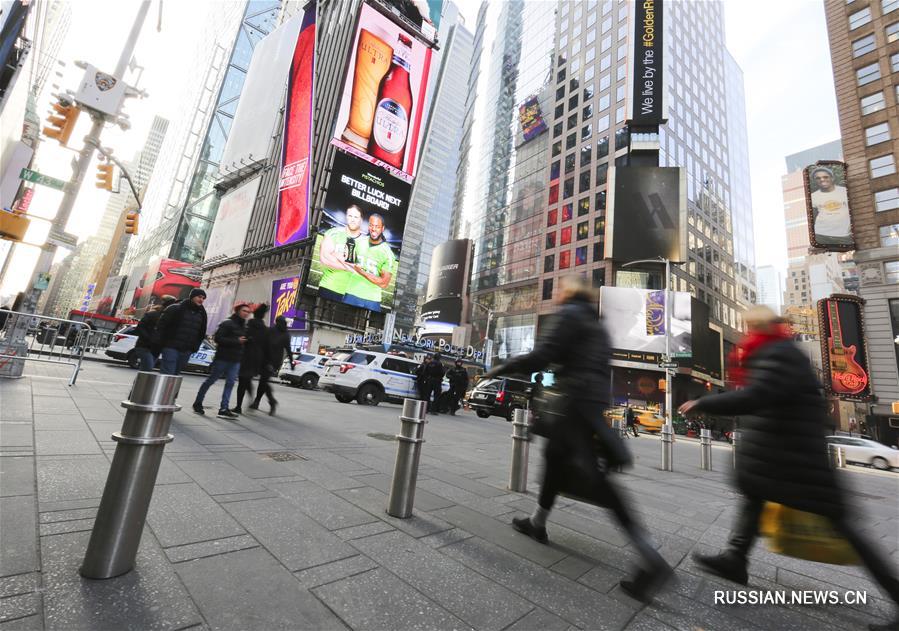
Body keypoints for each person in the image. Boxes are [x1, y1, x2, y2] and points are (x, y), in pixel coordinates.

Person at [679, 306, 899, 630]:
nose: (747, 331)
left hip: (796, 459)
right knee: (754, 497)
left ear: (761, 327)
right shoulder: (776, 352)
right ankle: (735, 558)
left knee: (843, 527)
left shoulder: (779, 354)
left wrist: (704, 402)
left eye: (751, 326)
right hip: (782, 456)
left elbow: (759, 396)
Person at [481, 274, 672, 603]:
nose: (556, 294)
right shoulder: (596, 325)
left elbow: (543, 355)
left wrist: (502, 368)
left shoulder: (570, 315)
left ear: (570, 293)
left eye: (561, 289)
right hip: (590, 403)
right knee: (555, 461)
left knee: (597, 483)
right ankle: (538, 522)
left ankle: (650, 557)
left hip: (575, 405)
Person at [193, 303, 250, 419]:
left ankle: (224, 408)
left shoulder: (244, 326)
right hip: (223, 358)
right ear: (238, 311)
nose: (246, 313)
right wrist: (236, 341)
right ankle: (198, 402)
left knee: (230, 383)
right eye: (244, 311)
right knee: (211, 380)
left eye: (248, 312)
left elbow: (242, 342)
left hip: (236, 360)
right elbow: (218, 338)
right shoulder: (227, 323)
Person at [343, 213, 397, 312]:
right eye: (371, 225)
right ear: (368, 226)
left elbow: (384, 283)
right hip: (351, 292)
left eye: (377, 226)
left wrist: (361, 272)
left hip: (372, 299)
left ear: (382, 228)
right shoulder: (358, 241)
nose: (373, 229)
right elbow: (348, 261)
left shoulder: (388, 253)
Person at [318, 205, 364, 303]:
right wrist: (350, 267)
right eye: (350, 216)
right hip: (328, 287)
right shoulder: (333, 233)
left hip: (353, 294)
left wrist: (336, 255)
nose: (352, 219)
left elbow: (363, 270)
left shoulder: (366, 243)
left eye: (356, 217)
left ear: (361, 220)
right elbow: (324, 258)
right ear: (346, 217)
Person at [157, 288, 208, 375]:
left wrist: (194, 347)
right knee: (167, 373)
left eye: (203, 298)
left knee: (175, 375)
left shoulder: (202, 314)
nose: (201, 300)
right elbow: (160, 327)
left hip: (186, 350)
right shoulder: (175, 308)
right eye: (199, 297)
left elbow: (201, 333)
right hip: (171, 347)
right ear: (192, 297)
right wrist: (163, 343)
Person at [255, 315, 294, 416]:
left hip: (273, 362)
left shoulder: (285, 334)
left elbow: (289, 350)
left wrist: (291, 362)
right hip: (265, 359)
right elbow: (263, 344)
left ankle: (271, 402)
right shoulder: (271, 331)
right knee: (263, 382)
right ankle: (257, 402)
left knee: (263, 381)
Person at [234, 304, 269, 414]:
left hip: (246, 355)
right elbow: (266, 346)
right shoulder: (265, 329)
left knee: (242, 382)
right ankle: (250, 397)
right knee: (247, 379)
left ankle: (238, 406)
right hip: (257, 358)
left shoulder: (249, 324)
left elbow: (244, 338)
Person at [809, 166, 852, 246]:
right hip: (820, 235)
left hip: (844, 236)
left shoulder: (844, 191)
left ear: (832, 178)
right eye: (818, 178)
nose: (822, 180)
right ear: (815, 181)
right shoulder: (812, 196)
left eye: (825, 177)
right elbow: (812, 217)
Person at [133, 295, 177, 371]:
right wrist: (149, 339)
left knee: (145, 369)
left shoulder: (170, 318)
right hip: (145, 347)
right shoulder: (152, 314)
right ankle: (139, 382)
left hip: (155, 349)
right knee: (148, 368)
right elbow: (140, 328)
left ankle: (138, 382)